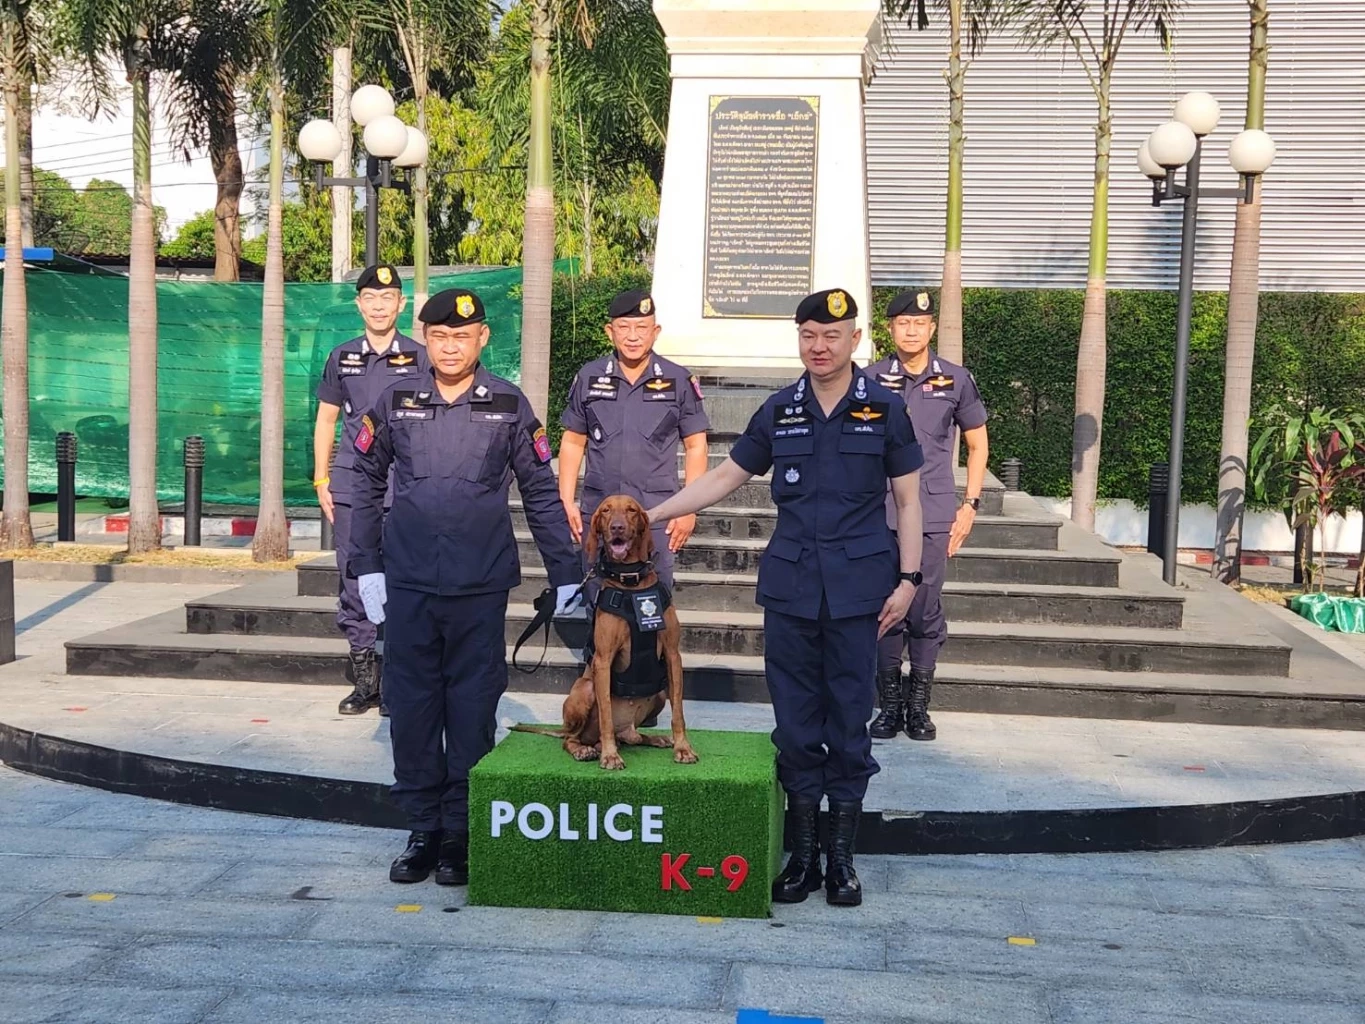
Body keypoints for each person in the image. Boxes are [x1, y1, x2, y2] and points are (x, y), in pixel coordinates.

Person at [646, 288, 925, 908]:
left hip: (861, 593)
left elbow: (908, 501)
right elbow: (725, 475)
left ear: (856, 339)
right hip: (793, 588)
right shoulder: (780, 410)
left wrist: (910, 581)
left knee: (849, 723)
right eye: (808, 336)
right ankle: (801, 858)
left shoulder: (885, 410)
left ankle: (842, 861)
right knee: (797, 725)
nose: (819, 346)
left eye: (832, 336)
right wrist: (656, 511)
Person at [348, 288, 583, 886]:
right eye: (440, 336)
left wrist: (566, 574)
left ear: (482, 339)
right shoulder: (395, 399)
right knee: (412, 707)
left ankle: (461, 831)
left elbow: (541, 494)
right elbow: (365, 483)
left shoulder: (508, 404)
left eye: (463, 336)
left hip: (479, 584)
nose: (451, 346)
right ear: (425, 339)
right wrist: (365, 564)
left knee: (473, 705)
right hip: (408, 581)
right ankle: (422, 829)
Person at [866, 290, 989, 742]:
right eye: (903, 323)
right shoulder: (870, 379)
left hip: (934, 511)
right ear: (891, 329)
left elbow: (977, 444)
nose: (911, 330)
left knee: (924, 606)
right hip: (880, 511)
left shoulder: (955, 380)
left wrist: (970, 506)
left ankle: (918, 705)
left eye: (919, 323)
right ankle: (889, 706)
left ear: (932, 328)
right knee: (884, 606)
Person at [312, 263, 428, 716]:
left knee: (404, 581)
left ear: (401, 304)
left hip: (406, 486)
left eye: (388, 298)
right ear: (359, 304)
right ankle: (366, 681)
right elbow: (326, 420)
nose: (379, 306)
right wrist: (322, 479)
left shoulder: (421, 357)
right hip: (353, 484)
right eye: (370, 298)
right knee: (355, 579)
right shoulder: (342, 357)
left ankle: (399, 681)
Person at [559, 288, 711, 594]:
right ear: (609, 332)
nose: (632, 336)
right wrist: (565, 500)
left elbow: (697, 446)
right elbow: (573, 442)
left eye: (641, 328)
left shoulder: (677, 380)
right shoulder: (589, 378)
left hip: (656, 516)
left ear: (655, 332)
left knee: (655, 608)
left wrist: (689, 508)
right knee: (599, 609)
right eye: (624, 327)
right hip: (599, 517)